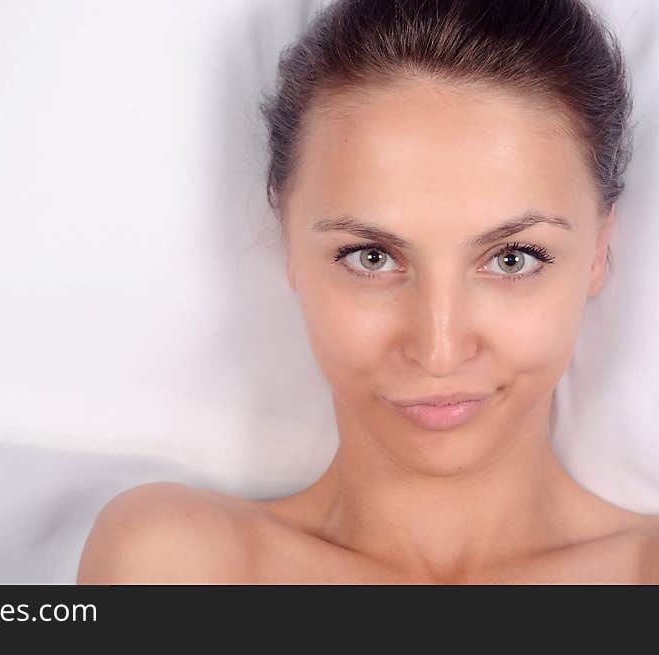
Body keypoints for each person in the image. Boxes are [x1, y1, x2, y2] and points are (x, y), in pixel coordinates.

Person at [76, 0, 659, 584]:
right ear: (288, 242)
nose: (439, 350)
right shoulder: (180, 565)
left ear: (599, 249)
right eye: (371, 257)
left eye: (512, 259)